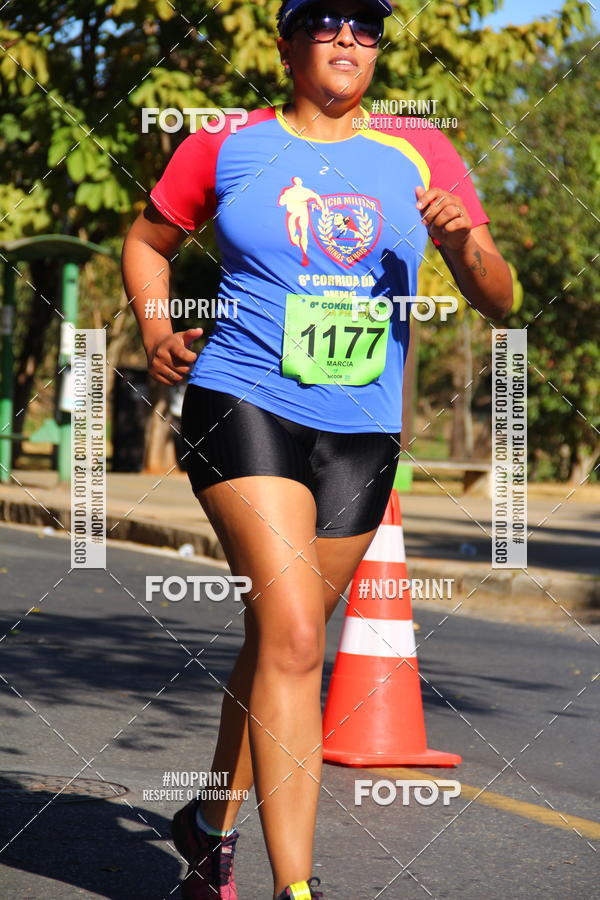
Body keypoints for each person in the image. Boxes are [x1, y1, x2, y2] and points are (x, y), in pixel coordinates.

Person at [121, 0, 513, 896]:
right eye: (325, 21)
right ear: (288, 42)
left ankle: (210, 826)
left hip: (363, 431)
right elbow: (147, 243)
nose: (348, 39)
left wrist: (461, 244)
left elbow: (501, 297)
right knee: (297, 637)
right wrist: (156, 326)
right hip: (243, 399)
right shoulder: (225, 144)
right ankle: (294, 887)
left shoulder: (422, 153)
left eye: (366, 26)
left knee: (278, 638)